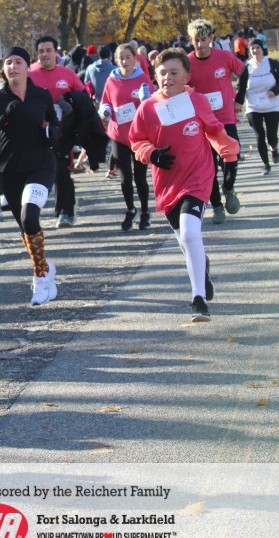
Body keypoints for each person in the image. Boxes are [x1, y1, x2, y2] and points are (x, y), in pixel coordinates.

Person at [129, 48, 240, 322]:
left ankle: (198, 299)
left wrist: (229, 154)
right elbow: (137, 141)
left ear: (186, 77)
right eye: (162, 73)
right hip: (168, 184)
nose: (167, 77)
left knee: (190, 234)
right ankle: (202, 268)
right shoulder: (147, 108)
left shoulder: (197, 101)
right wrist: (151, 154)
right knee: (185, 240)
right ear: (155, 77)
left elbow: (214, 130)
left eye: (174, 72)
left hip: (198, 177)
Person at [0, 47, 59, 305]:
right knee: (26, 229)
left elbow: (53, 122)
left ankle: (39, 280)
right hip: (11, 170)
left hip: (41, 166)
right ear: (3, 69)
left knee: (29, 216)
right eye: (9, 62)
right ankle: (46, 269)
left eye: (18, 61)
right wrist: (2, 119)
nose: (13, 66)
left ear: (27, 66)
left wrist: (55, 134)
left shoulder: (41, 95)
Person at [187, 18, 244, 224]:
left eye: (204, 39)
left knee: (231, 156)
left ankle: (228, 188)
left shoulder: (225, 57)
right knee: (208, 166)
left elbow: (244, 72)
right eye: (196, 40)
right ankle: (217, 206)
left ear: (211, 38)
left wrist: (239, 99)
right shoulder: (187, 63)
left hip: (225, 117)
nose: (200, 44)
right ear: (191, 40)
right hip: (201, 122)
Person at [28, 35, 85, 228]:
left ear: (56, 53)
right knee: (40, 172)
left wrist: (69, 104)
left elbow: (83, 99)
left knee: (61, 169)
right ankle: (33, 212)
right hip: (37, 132)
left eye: (48, 51)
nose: (45, 54)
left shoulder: (67, 74)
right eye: (41, 51)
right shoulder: (30, 74)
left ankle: (65, 212)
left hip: (63, 131)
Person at [100, 43, 153, 230]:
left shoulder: (143, 78)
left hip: (139, 135)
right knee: (124, 177)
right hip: (118, 134)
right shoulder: (111, 80)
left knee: (140, 177)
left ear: (134, 58)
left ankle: (145, 212)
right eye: (121, 58)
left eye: (128, 57)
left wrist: (146, 100)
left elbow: (153, 102)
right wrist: (105, 111)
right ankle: (131, 209)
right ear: (116, 60)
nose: (124, 61)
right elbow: (105, 102)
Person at [236, 39, 279, 174]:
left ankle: (274, 148)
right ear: (249, 51)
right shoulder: (246, 67)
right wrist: (238, 103)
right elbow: (241, 87)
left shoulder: (272, 63)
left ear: (262, 49)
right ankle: (266, 164)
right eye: (252, 48)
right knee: (259, 135)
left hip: (272, 104)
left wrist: (274, 91)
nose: (255, 51)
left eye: (257, 47)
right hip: (253, 106)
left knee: (272, 136)